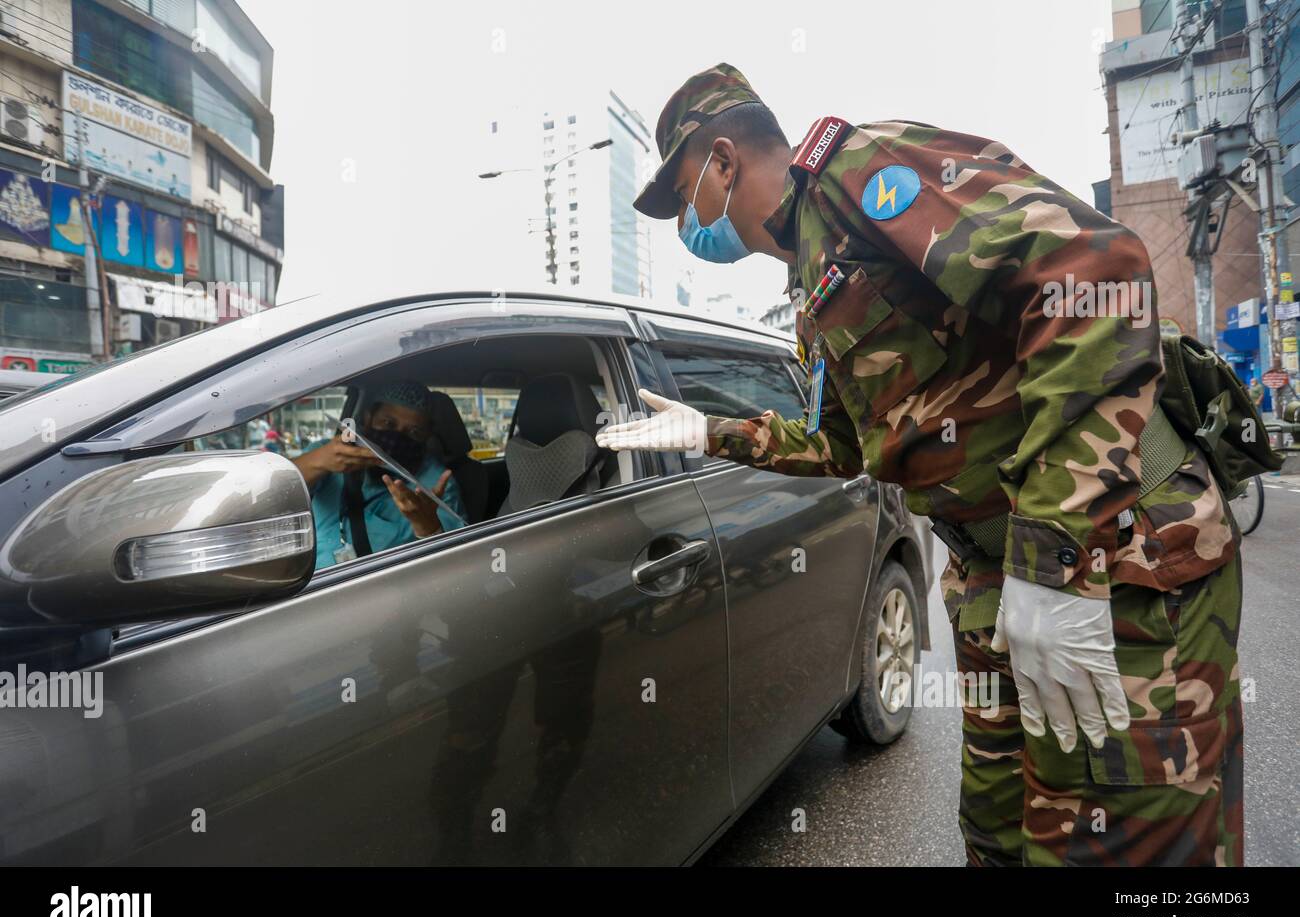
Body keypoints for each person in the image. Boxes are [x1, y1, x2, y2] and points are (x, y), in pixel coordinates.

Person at [600, 64, 1243, 866]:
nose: (685, 225)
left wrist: (1051, 562)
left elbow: (1093, 274)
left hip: (1110, 560)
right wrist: (712, 433)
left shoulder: (857, 174)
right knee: (999, 840)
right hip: (994, 582)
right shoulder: (810, 277)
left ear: (724, 162)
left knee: (1120, 850)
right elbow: (846, 446)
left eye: (684, 195)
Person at [294, 380, 468, 571]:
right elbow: (279, 491)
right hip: (316, 584)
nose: (397, 437)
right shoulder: (332, 453)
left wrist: (427, 526)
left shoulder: (435, 482)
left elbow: (453, 563)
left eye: (414, 431)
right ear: (368, 418)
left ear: (427, 435)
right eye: (388, 423)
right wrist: (317, 462)